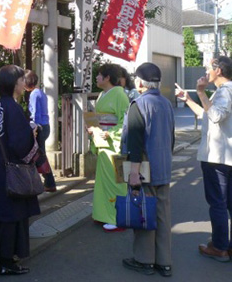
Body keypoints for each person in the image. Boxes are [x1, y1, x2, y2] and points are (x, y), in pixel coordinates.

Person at [0, 65, 40, 276]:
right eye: (20, 80)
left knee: (0, 217)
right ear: (14, 84)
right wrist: (33, 135)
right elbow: (19, 143)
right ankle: (8, 261)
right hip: (12, 172)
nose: (22, 83)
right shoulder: (13, 109)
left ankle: (0, 257)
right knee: (12, 216)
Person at [175, 56, 232, 262]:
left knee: (217, 202)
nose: (206, 71)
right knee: (228, 204)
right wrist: (189, 100)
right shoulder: (223, 92)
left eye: (208, 68)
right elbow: (206, 115)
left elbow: (215, 115)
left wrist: (200, 92)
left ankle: (219, 247)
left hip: (217, 158)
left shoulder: (225, 92)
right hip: (226, 156)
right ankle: (225, 245)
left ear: (218, 70)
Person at [122, 62, 175, 277]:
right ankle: (164, 262)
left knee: (144, 211)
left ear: (140, 83)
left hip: (145, 167)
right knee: (162, 214)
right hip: (164, 166)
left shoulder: (138, 105)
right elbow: (171, 137)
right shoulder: (166, 104)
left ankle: (145, 260)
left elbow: (134, 143)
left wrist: (134, 172)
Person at [89, 63, 130, 232]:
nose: (97, 78)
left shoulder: (120, 95)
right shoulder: (102, 94)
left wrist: (111, 133)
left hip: (114, 144)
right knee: (104, 182)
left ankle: (117, 218)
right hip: (103, 142)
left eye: (99, 75)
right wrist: (92, 128)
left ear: (107, 78)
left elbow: (125, 121)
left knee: (117, 182)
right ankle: (104, 215)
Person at [24, 69, 56, 192]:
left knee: (38, 156)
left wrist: (33, 127)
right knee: (41, 154)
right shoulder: (41, 93)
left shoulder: (33, 94)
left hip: (39, 127)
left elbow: (34, 114)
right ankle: (48, 182)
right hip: (45, 126)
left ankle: (49, 182)